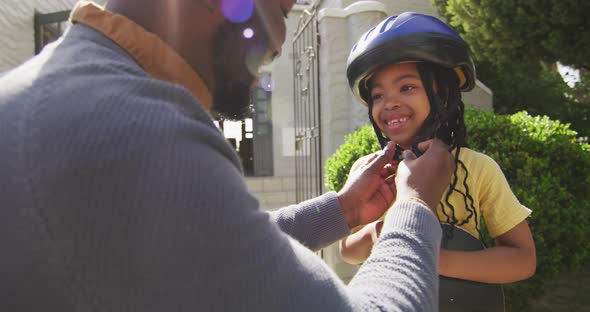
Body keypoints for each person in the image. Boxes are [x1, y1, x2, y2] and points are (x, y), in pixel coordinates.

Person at [0, 1, 455, 311]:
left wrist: (344, 209)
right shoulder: (138, 133)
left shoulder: (63, 91)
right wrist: (414, 207)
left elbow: (199, 249)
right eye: (281, 11)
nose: (278, 44)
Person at [341, 12, 536, 288]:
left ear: (443, 93)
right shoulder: (369, 171)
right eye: (377, 95)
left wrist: (430, 258)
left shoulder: (477, 167)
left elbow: (523, 258)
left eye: (407, 87)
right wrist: (376, 233)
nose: (389, 103)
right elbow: (347, 251)